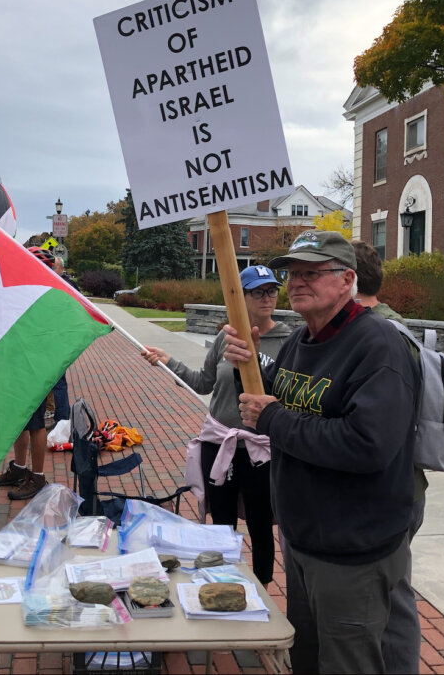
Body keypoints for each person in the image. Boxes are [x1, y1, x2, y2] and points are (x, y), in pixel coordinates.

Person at [224, 230, 419, 674]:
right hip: (303, 539)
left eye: (311, 273)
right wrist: (246, 367)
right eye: (291, 273)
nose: (295, 282)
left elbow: (366, 445)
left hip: (353, 548)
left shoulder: (378, 347)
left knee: (348, 662)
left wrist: (271, 418)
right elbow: (272, 399)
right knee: (306, 657)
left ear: (347, 279)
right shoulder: (300, 342)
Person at [139, 265, 290, 585]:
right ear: (240, 297)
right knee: (221, 526)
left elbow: (288, 397)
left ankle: (261, 589)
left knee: (262, 526)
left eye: (272, 290)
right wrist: (169, 362)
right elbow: (203, 382)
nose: (267, 298)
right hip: (218, 443)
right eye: (258, 292)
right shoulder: (226, 336)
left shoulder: (287, 341)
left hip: (259, 451)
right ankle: (223, 585)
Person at [352, 239, 421, 674]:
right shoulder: (391, 325)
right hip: (399, 486)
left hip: (392, 490)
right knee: (390, 590)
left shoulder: (382, 336)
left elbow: (374, 434)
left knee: (391, 595)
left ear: (346, 279)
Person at [0, 247, 62, 500]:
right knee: (19, 421)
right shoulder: (24, 293)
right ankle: (20, 469)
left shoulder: (49, 296)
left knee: (35, 423)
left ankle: (39, 477)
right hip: (18, 366)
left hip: (36, 368)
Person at [49, 255, 79, 427]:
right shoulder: (51, 283)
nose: (52, 270)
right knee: (54, 381)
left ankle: (62, 419)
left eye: (54, 267)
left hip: (60, 338)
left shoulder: (67, 285)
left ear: (61, 268)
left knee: (58, 381)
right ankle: (61, 417)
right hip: (53, 338)